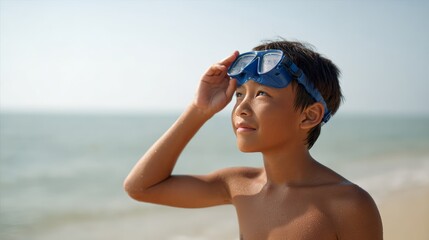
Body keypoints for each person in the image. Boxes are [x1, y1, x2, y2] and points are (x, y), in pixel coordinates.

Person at [124, 39, 383, 240]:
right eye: (238, 94)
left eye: (261, 94)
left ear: (309, 116)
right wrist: (199, 110)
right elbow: (140, 187)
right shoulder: (239, 185)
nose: (241, 108)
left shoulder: (348, 204)